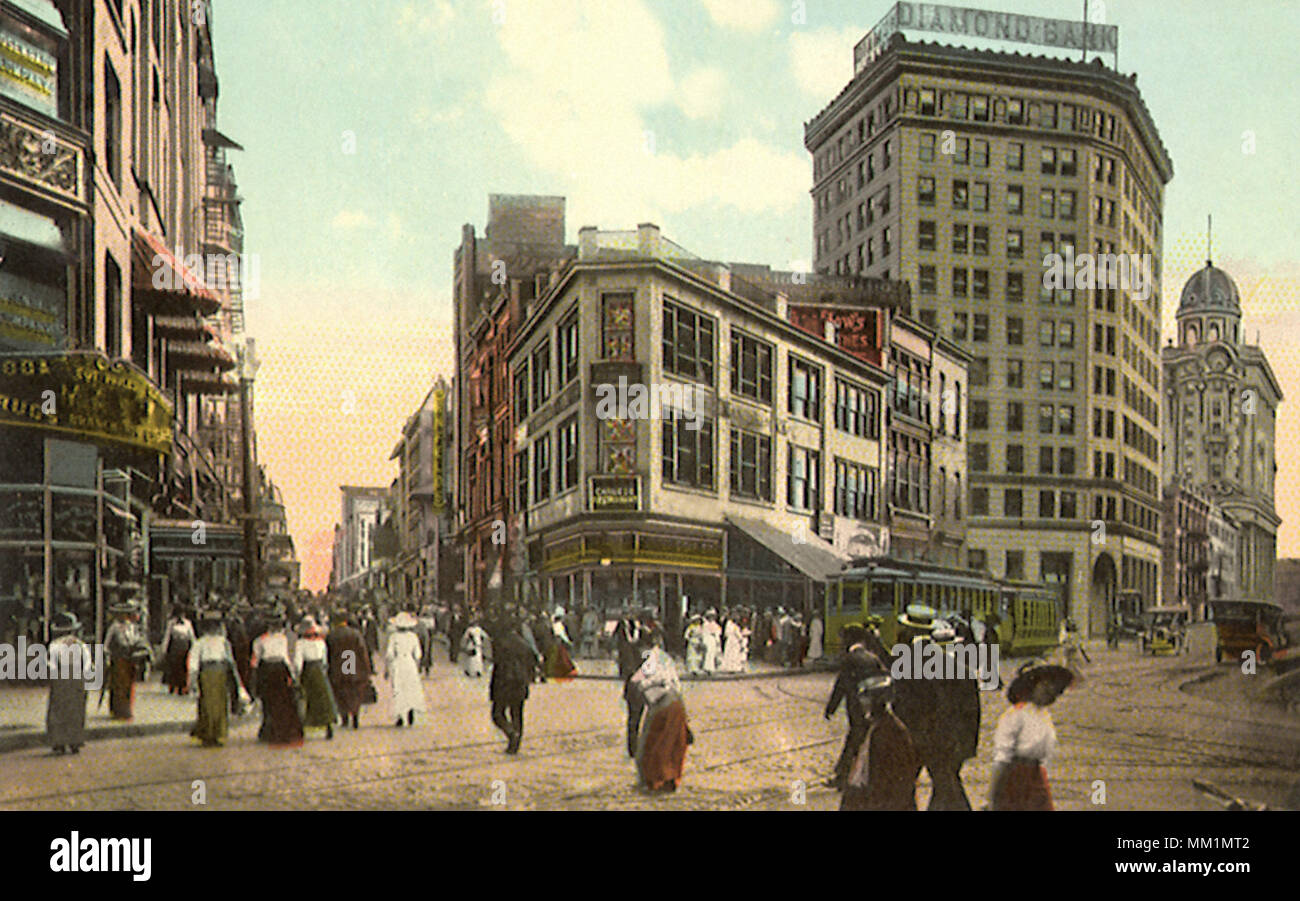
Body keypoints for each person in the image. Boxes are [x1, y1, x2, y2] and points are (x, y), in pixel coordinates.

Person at [891, 604, 981, 810]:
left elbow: (901, 703)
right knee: (946, 785)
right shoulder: (959, 669)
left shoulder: (905, 661)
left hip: (914, 736)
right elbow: (969, 712)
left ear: (908, 630)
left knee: (904, 786)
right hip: (944, 739)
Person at [840, 651, 921, 811]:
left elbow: (886, 778)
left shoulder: (887, 731)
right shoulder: (877, 726)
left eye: (866, 699)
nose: (862, 704)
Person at [990, 663, 1075, 810]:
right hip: (1014, 775)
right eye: (1045, 686)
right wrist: (993, 794)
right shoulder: (1015, 714)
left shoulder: (1043, 714)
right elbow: (1001, 757)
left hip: (1037, 775)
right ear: (1031, 686)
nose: (1051, 692)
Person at [629, 634, 692, 792]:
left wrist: (641, 684)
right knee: (672, 743)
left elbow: (641, 679)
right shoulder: (665, 657)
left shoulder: (652, 659)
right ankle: (670, 779)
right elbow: (675, 683)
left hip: (662, 704)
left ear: (645, 647)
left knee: (651, 743)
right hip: (677, 703)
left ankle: (653, 781)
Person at [824, 624, 874, 789]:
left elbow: (841, 686)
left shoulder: (850, 659)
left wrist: (831, 708)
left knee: (853, 741)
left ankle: (843, 776)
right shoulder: (872, 658)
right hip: (870, 707)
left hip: (855, 708)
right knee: (864, 740)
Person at [188, 611, 247, 747]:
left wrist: (236, 681)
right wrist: (192, 681)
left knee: (220, 704)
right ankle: (207, 734)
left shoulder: (224, 642)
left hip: (221, 673)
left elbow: (230, 661)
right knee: (207, 704)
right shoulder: (200, 643)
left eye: (216, 625)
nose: (213, 628)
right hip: (206, 674)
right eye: (211, 625)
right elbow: (194, 664)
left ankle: (219, 734)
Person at [252, 608, 304, 746]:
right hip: (278, 670)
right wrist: (292, 674)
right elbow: (287, 658)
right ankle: (279, 731)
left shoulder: (260, 640)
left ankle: (271, 731)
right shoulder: (282, 639)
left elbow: (255, 662)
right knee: (281, 702)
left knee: (271, 702)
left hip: (268, 671)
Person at [46, 612, 94, 755]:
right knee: (76, 709)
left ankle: (58, 741)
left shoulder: (55, 645)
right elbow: (87, 663)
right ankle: (75, 740)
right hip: (77, 678)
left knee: (58, 709)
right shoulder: (80, 644)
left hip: (61, 678)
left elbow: (51, 664)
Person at [489, 614, 535, 754]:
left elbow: (497, 666)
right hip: (520, 684)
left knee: (497, 714)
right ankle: (515, 745)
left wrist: (492, 688)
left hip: (503, 684)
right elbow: (531, 666)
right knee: (517, 714)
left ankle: (510, 733)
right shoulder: (525, 645)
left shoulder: (500, 643)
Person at [294, 616, 338, 740]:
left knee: (307, 699)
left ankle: (303, 727)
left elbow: (298, 662)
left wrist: (297, 674)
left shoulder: (301, 644)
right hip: (319, 670)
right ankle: (328, 725)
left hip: (308, 671)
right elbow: (324, 660)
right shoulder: (321, 642)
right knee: (324, 699)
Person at [327, 611, 371, 730]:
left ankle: (344, 717)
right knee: (354, 692)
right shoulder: (355, 634)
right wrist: (367, 669)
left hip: (338, 667)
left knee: (340, 692)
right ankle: (355, 716)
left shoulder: (332, 635)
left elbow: (328, 654)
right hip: (352, 665)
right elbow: (362, 652)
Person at [104, 601, 148, 720]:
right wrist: (108, 657)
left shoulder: (132, 627)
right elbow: (106, 645)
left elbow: (137, 640)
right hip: (118, 659)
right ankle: (119, 711)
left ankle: (127, 709)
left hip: (130, 658)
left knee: (129, 685)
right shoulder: (114, 627)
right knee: (119, 686)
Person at [386, 612, 426, 727]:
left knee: (399, 689)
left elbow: (390, 654)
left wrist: (387, 669)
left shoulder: (393, 637)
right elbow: (418, 654)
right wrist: (417, 667)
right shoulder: (413, 637)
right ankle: (410, 712)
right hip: (410, 664)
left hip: (398, 664)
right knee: (410, 688)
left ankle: (400, 715)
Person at [160, 607, 196, 695]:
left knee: (183, 669)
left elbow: (191, 636)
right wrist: (164, 649)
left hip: (184, 649)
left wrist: (194, 648)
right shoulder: (171, 623)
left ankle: (181, 687)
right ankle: (172, 686)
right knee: (173, 668)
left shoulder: (187, 623)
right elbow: (167, 636)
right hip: (174, 649)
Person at [701, 610, 721, 675]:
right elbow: (704, 633)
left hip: (713, 639)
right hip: (708, 639)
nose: (712, 618)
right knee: (708, 653)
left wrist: (717, 639)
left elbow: (718, 632)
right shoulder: (705, 624)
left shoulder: (715, 624)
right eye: (710, 617)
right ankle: (707, 668)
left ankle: (712, 668)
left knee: (713, 653)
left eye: (713, 617)